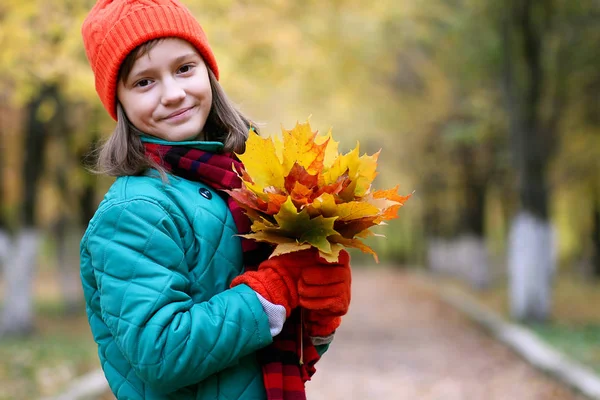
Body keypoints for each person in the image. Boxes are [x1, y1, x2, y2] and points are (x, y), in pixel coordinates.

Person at [79, 1, 352, 399]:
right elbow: (160, 354)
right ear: (118, 102)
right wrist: (271, 293)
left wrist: (319, 317)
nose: (173, 93)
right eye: (144, 82)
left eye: (184, 68)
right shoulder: (134, 212)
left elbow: (271, 358)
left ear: (208, 71)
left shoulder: (247, 186)